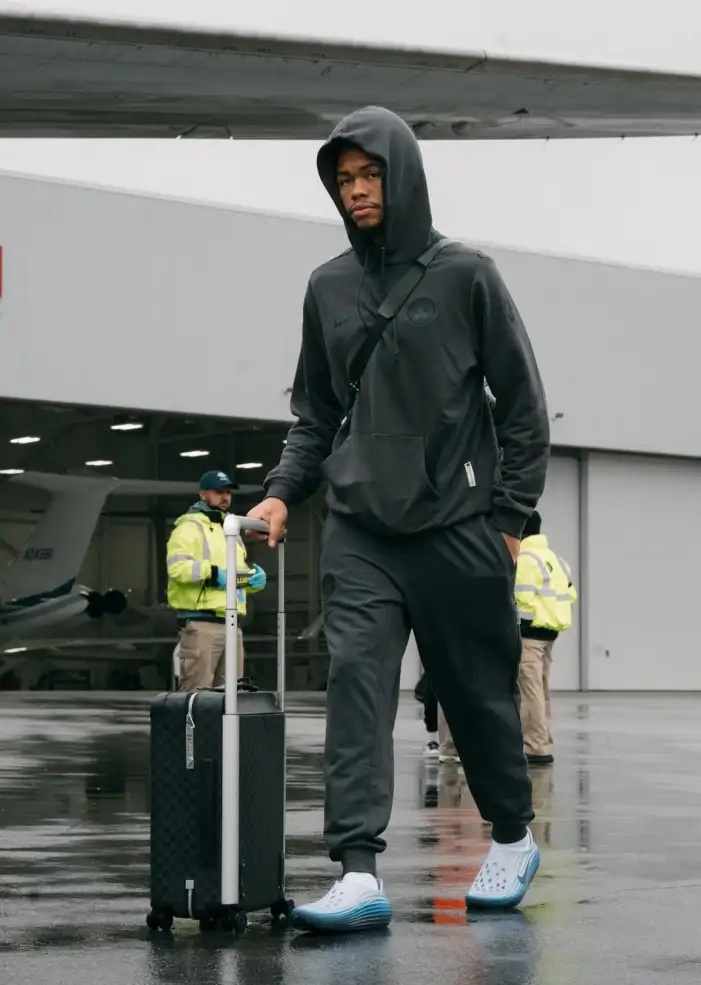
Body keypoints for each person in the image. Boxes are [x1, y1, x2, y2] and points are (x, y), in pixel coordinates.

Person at [248, 105, 550, 934]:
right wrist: (282, 490)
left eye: (369, 174)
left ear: (403, 175)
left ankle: (513, 836)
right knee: (355, 686)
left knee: (475, 694)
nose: (356, 191)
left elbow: (524, 407)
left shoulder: (467, 276)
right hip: (359, 527)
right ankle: (357, 869)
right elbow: (314, 413)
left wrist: (509, 519)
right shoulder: (328, 286)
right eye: (343, 180)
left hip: (457, 524)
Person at [166, 470, 266, 691]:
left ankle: (218, 729)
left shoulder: (230, 530)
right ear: (203, 494)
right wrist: (212, 574)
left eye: (228, 492)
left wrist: (251, 580)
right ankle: (192, 728)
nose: (225, 497)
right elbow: (177, 567)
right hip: (202, 624)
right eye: (218, 492)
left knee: (232, 697)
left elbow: (234, 577)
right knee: (196, 693)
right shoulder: (189, 527)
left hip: (232, 625)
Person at [515, 512, 577, 766]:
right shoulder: (555, 558)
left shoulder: (525, 559)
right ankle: (544, 738)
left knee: (530, 691)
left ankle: (536, 747)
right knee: (541, 689)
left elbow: (519, 599)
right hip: (550, 633)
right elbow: (570, 594)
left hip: (528, 634)